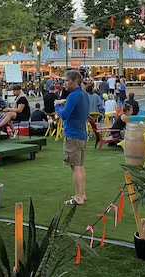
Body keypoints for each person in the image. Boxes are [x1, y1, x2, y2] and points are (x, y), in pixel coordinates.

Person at [55, 70, 89, 205]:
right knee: (80, 165)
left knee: (75, 166)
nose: (65, 83)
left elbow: (64, 115)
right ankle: (82, 194)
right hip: (81, 134)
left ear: (74, 81)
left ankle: (78, 197)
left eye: (67, 81)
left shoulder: (73, 96)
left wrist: (57, 106)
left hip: (73, 135)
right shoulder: (84, 94)